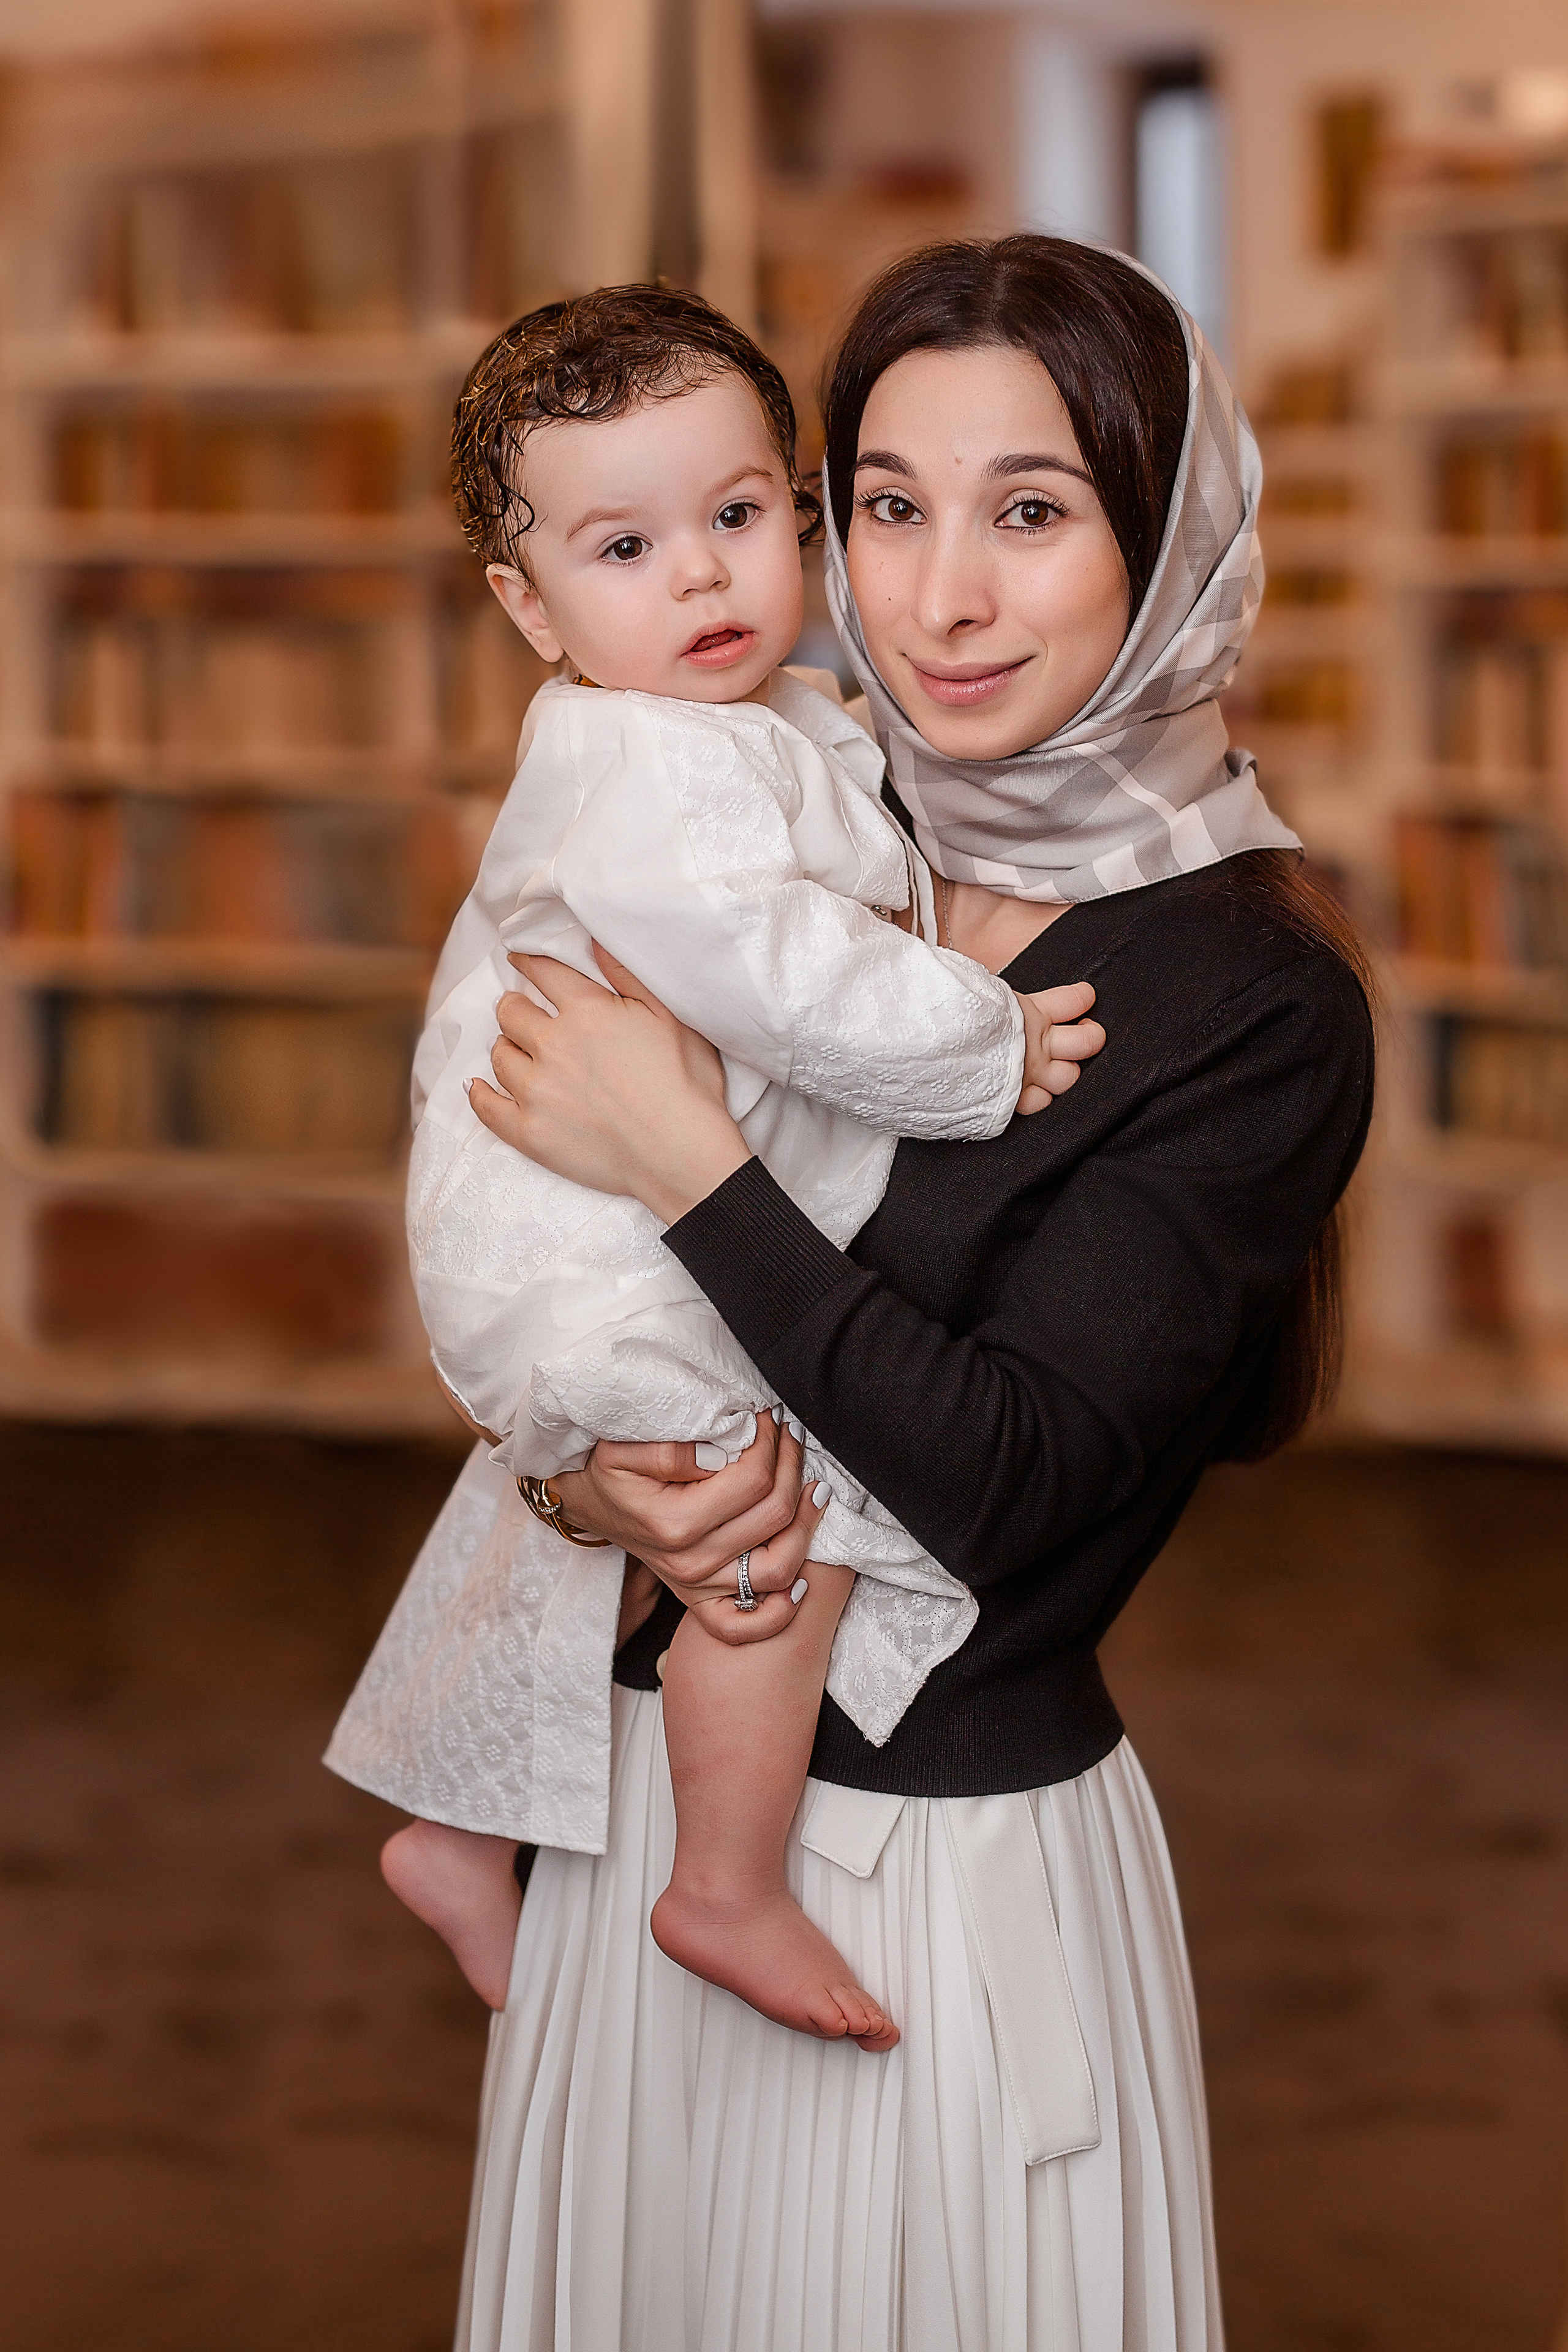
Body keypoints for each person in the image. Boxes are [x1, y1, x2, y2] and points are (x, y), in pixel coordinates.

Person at [462, 236, 1375, 2350]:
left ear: (1169, 547)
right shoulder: (795, 828)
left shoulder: (1246, 992)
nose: (937, 598)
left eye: (1032, 512)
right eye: (885, 503)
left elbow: (1017, 1481)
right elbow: (582, 1300)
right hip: (645, 1853)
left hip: (934, 1898)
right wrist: (593, 1492)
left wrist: (680, 1154)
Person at [324, 285, 1103, 2047]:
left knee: (625, 1494)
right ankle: (724, 1885)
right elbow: (773, 966)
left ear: (797, 512)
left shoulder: (761, 721)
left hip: (601, 1213)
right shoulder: (638, 767)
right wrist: (981, 1037)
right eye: (625, 545)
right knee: (770, 1524)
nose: (699, 578)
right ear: (528, 607)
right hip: (577, 1226)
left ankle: (455, 1831)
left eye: (739, 518)